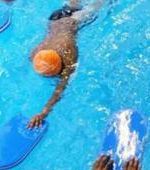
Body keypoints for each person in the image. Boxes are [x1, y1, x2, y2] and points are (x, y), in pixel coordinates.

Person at [27, 0, 102, 129]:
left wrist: (44, 112)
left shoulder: (68, 53)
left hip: (72, 20)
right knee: (71, 5)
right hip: (54, 19)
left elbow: (60, 88)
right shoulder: (35, 54)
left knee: (101, 4)